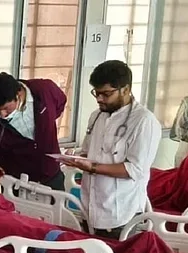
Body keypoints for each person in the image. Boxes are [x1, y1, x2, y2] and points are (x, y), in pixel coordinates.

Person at [61, 60, 162, 239]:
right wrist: (75, 158)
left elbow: (135, 169)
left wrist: (92, 167)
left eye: (106, 94)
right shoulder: (97, 116)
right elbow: (89, 152)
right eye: (96, 93)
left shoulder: (144, 121)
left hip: (120, 213)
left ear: (126, 89)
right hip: (90, 208)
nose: (99, 99)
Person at [0, 72, 68, 194]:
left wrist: (46, 125)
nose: (2, 114)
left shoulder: (43, 90)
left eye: (6, 108)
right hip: (17, 184)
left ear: (19, 94)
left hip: (51, 176)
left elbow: (60, 102)